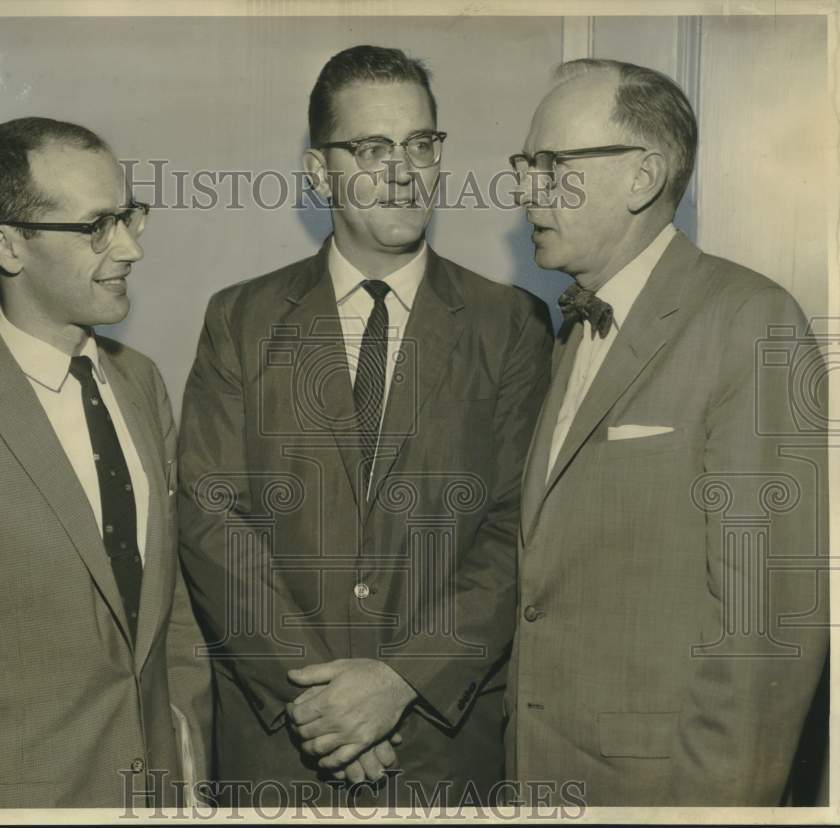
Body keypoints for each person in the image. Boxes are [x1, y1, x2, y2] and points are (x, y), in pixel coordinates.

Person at [177, 45, 552, 806]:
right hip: (286, 745)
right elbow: (212, 518)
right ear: (320, 173)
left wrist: (400, 679)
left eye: (422, 144)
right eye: (371, 149)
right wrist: (323, 706)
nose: (404, 171)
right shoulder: (240, 319)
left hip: (442, 750)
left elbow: (520, 529)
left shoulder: (509, 324)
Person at [0, 117, 211, 809]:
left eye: (131, 216)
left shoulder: (140, 383)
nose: (132, 247)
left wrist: (190, 762)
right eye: (98, 226)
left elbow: (172, 614)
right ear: (8, 245)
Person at [507, 59, 828, 805]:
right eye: (525, 166)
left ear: (643, 175)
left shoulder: (749, 321)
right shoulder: (569, 333)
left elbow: (766, 627)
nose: (526, 190)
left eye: (553, 165)